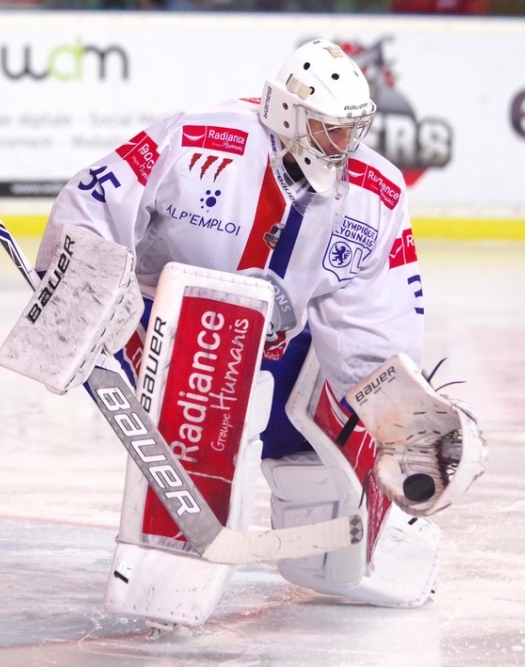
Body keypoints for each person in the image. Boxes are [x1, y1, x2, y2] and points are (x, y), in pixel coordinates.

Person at [24, 38, 486, 631]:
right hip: (167, 338)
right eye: (329, 130)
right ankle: (165, 559)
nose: (345, 147)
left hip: (279, 350)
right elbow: (94, 202)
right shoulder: (198, 137)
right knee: (208, 394)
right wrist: (81, 291)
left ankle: (340, 552)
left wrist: (399, 409)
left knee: (330, 418)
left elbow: (373, 316)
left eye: (352, 131)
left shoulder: (378, 190)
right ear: (288, 114)